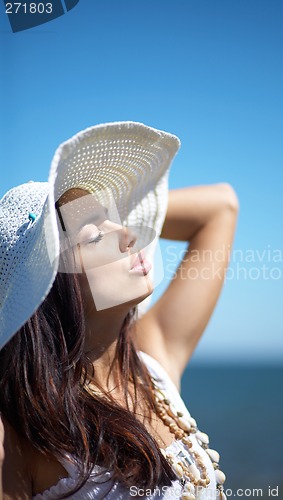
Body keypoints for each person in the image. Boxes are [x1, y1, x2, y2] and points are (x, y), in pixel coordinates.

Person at [0, 121, 239, 500]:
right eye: (95, 235)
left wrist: (87, 213)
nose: (129, 235)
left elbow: (222, 204)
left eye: (119, 218)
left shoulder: (152, 366)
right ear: (49, 285)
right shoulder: (18, 432)